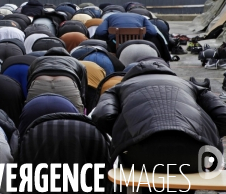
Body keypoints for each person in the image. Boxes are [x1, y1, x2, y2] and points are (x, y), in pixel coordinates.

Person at [93, 59, 226, 173]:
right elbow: (223, 115)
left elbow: (102, 116)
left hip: (140, 153)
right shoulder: (189, 85)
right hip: (196, 152)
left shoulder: (119, 88)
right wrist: (202, 136)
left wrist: (126, 134)